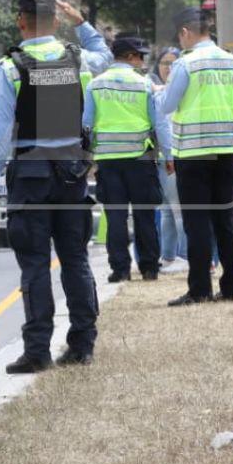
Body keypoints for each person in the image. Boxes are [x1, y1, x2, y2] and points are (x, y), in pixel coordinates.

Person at [0, 0, 113, 373]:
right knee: (75, 259)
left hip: (31, 175)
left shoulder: (10, 67)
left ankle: (37, 350)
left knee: (35, 265)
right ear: (55, 21)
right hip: (72, 173)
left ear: (21, 21)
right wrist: (82, 22)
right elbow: (103, 52)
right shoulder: (79, 59)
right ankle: (83, 344)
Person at [157, 7, 233, 306]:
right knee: (225, 219)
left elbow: (168, 106)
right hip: (225, 153)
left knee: (196, 222)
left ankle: (200, 289)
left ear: (185, 32)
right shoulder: (232, 61)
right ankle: (231, 288)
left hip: (193, 153)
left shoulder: (186, 64)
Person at [84, 36, 171, 283]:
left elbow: (87, 125)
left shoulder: (95, 85)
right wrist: (169, 155)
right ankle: (149, 268)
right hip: (140, 159)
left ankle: (120, 269)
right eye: (140, 56)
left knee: (116, 217)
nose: (142, 61)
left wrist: (87, 159)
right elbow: (159, 124)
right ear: (130, 56)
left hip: (109, 162)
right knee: (145, 215)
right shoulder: (144, 85)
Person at [152, 47, 188, 274]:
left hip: (177, 156)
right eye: (164, 63)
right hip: (159, 159)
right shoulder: (155, 90)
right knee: (166, 209)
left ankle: (183, 256)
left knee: (179, 209)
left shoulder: (182, 92)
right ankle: (167, 256)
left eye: (173, 63)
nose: (168, 67)